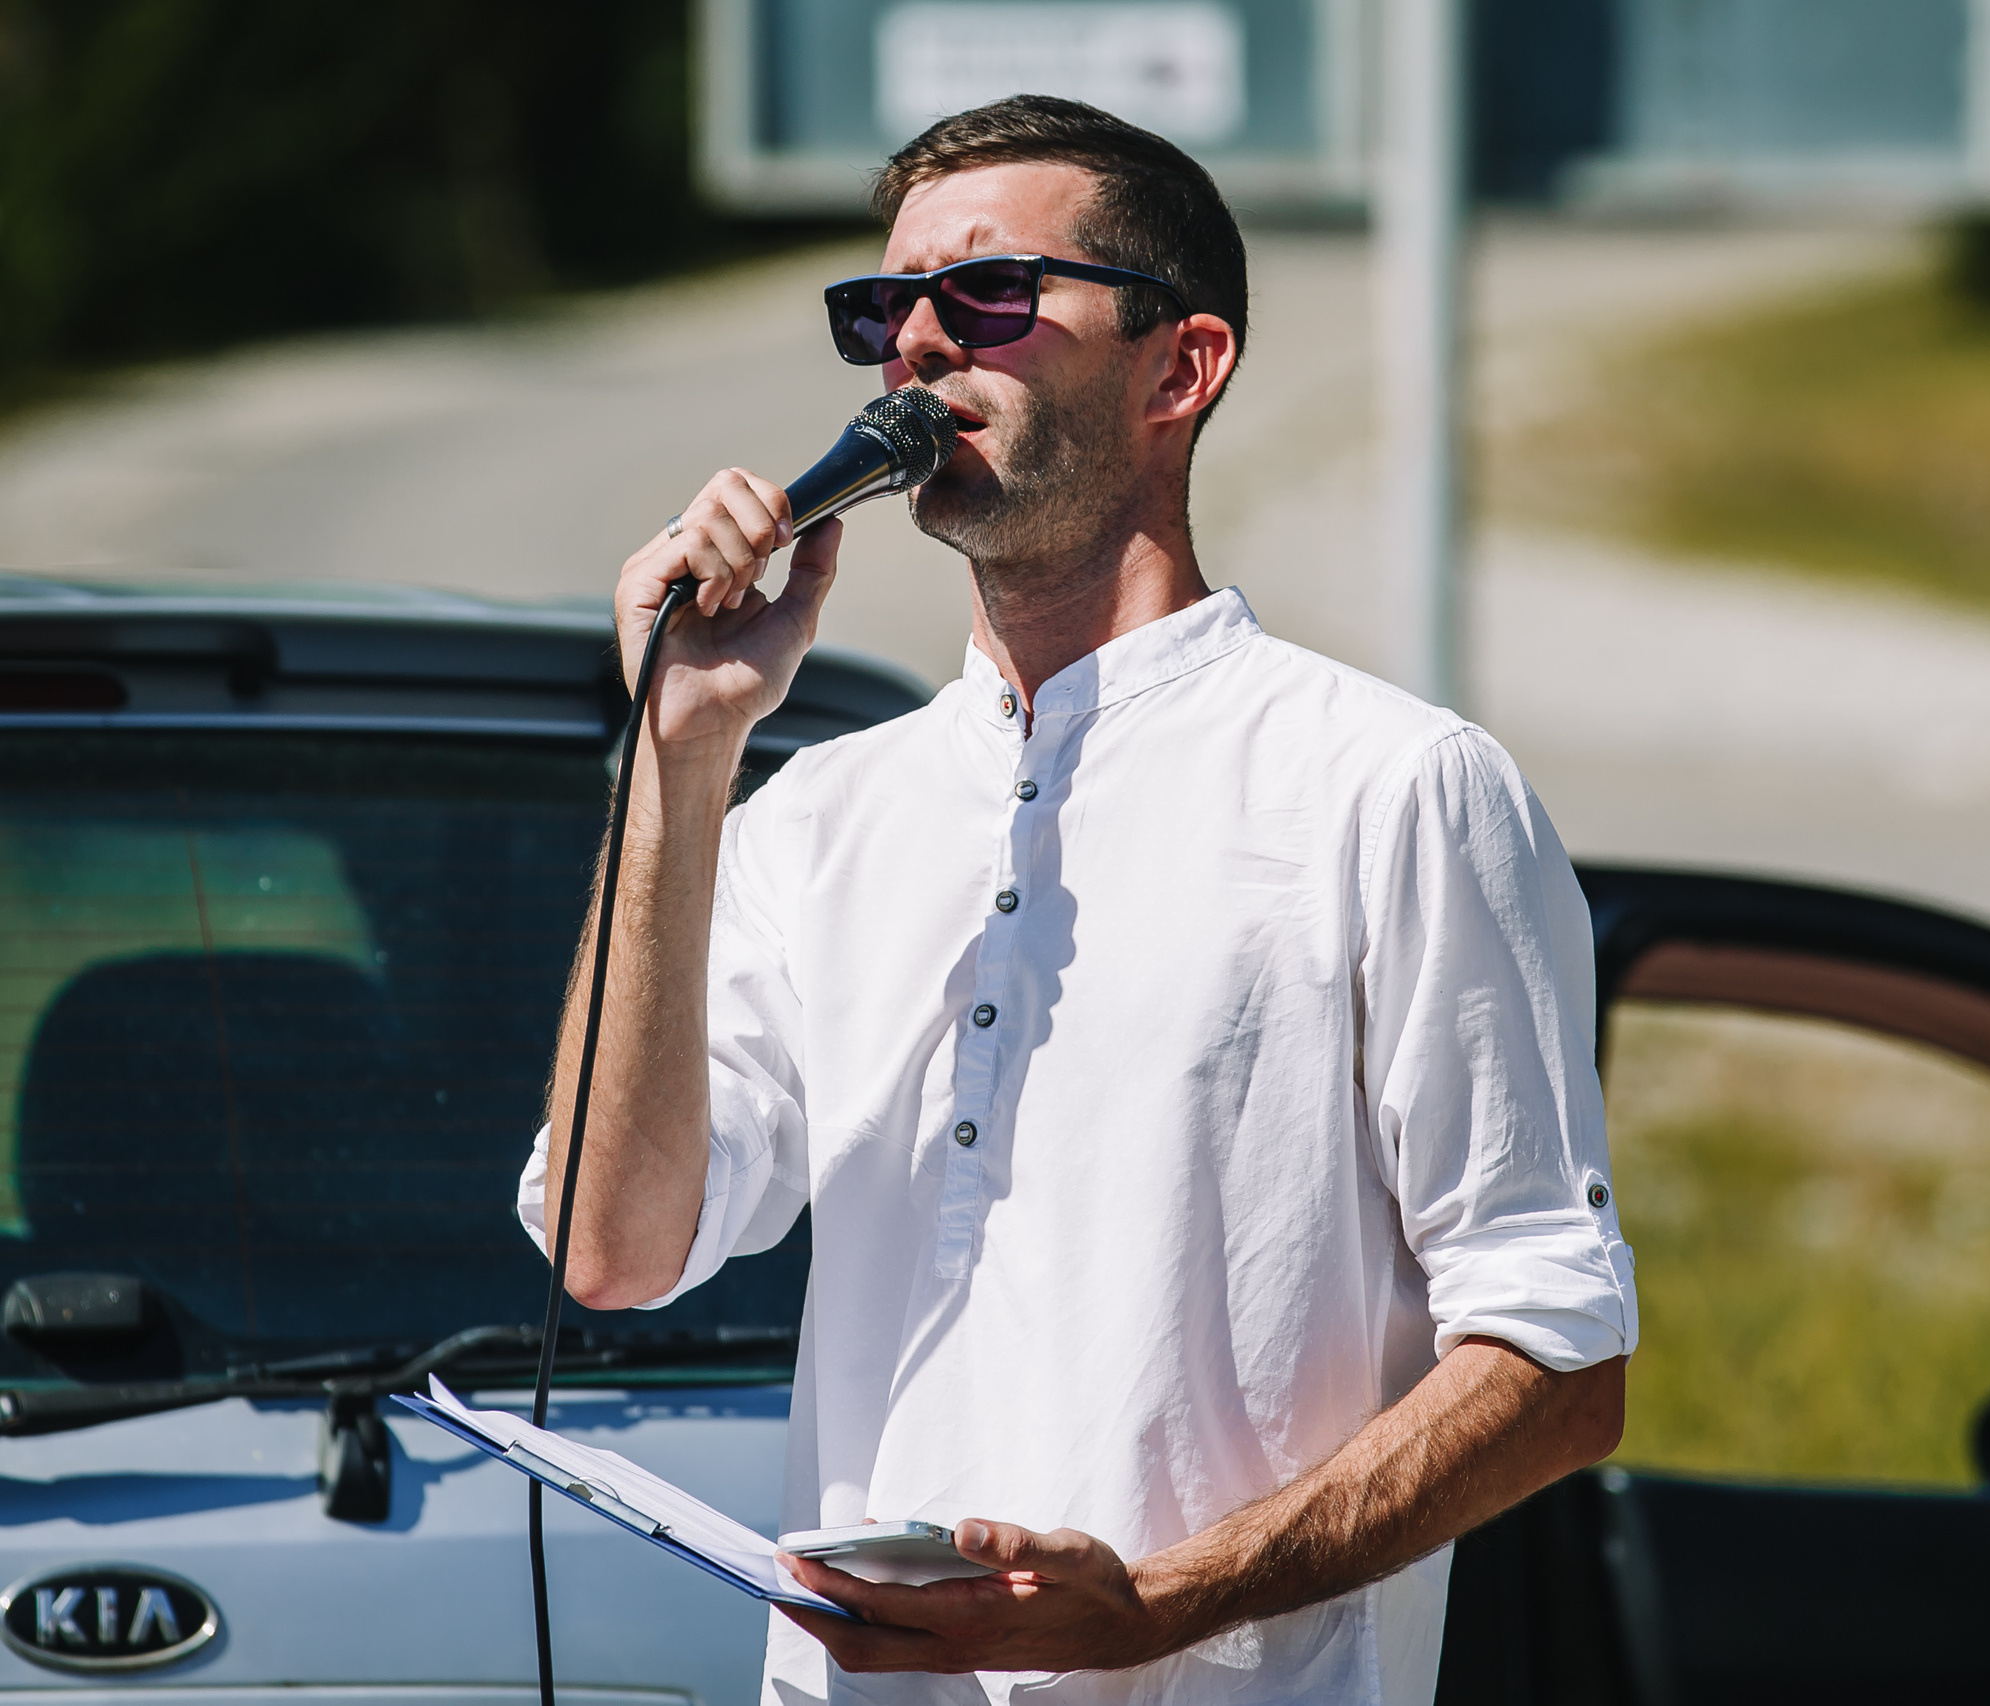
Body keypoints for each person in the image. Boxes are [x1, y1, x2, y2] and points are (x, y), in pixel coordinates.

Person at [519, 94, 1636, 1706]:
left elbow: (1559, 1363)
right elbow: (610, 1251)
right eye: (882, 308)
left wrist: (1155, 1604)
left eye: (982, 296)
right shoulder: (815, 815)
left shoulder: (1393, 788)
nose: (913, 345)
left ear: (1179, 368)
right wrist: (680, 765)